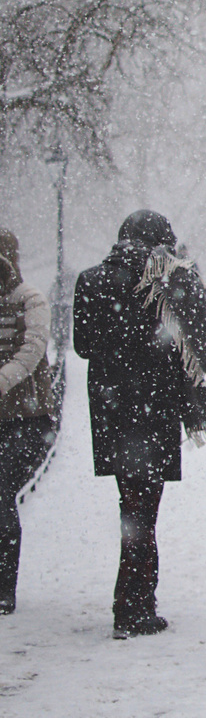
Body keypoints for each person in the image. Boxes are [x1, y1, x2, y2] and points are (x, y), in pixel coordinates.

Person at [73, 210, 206, 638]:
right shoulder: (169, 280)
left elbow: (83, 346)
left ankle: (136, 600)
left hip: (110, 408)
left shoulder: (90, 281)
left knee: (133, 503)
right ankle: (133, 605)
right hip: (155, 406)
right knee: (142, 509)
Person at [0, 230, 52, 616]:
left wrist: (3, 381)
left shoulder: (29, 299)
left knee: (1, 496)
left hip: (25, 417)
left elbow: (33, 347)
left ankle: (4, 589)